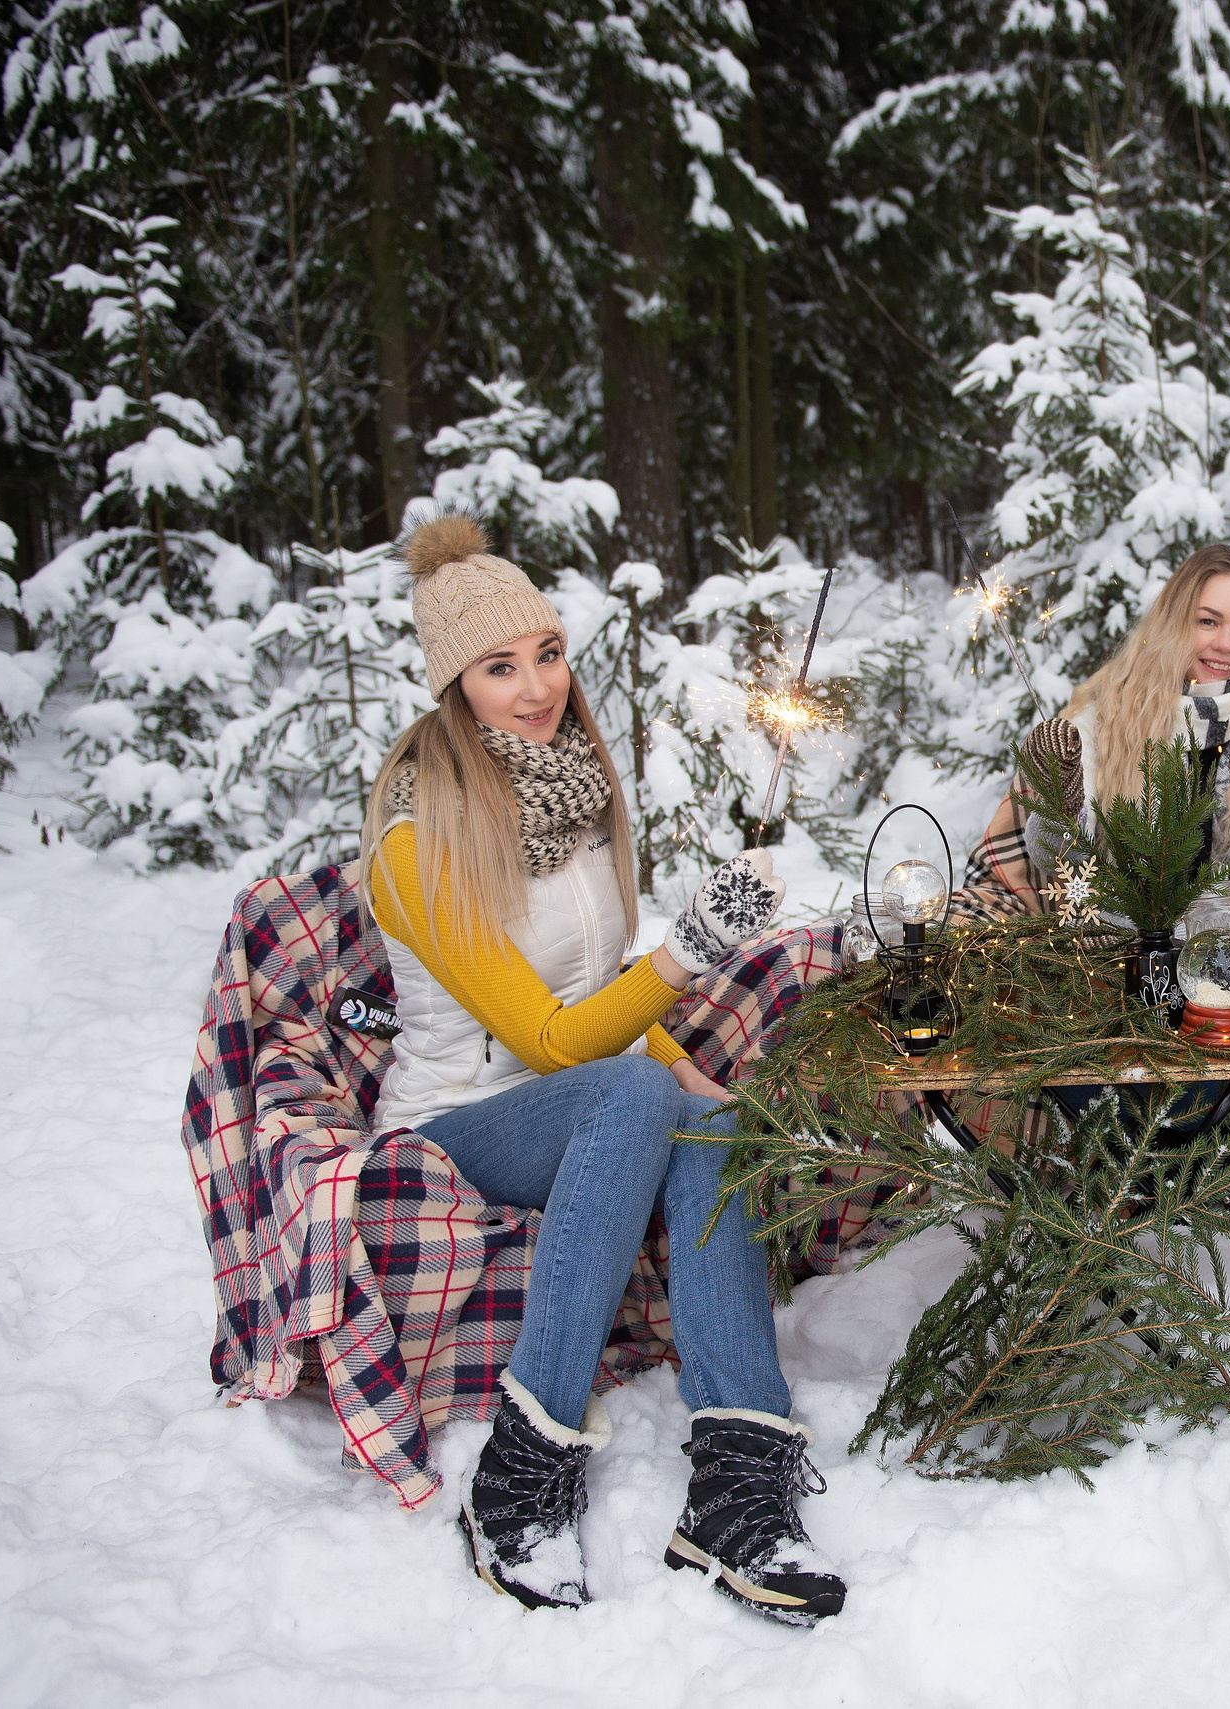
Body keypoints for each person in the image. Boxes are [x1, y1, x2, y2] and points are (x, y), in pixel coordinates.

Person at [361, 512, 844, 1624]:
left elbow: (601, 982)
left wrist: (686, 1066)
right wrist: (693, 951)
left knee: (699, 1115)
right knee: (634, 1091)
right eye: (499, 666)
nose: (537, 687)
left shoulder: (572, 797)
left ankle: (739, 1481)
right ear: (452, 684)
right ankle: (521, 1473)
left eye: (547, 653)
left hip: (585, 1100)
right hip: (458, 1121)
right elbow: (547, 1039)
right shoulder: (414, 840)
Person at [1018, 543, 1230, 901]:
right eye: (1208, 621)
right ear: (1174, 622)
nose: (1225, 644)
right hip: (1132, 935)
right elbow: (1053, 854)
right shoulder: (1107, 721)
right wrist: (1064, 801)